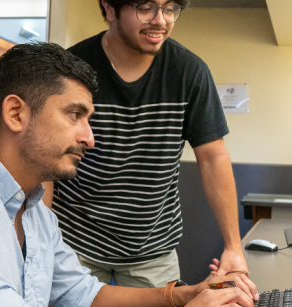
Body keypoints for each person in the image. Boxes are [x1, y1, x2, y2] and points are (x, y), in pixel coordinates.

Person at [0, 42, 258, 306]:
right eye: (75, 115)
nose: (90, 138)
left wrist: (181, 296)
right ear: (16, 113)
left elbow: (84, 293)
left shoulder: (36, 212)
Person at [44, 0, 247, 287]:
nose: (161, 20)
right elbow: (48, 159)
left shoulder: (190, 72)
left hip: (152, 247)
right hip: (76, 242)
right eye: (146, 7)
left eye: (169, 8)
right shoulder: (71, 68)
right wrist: (40, 238)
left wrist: (233, 247)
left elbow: (213, 157)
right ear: (111, 9)